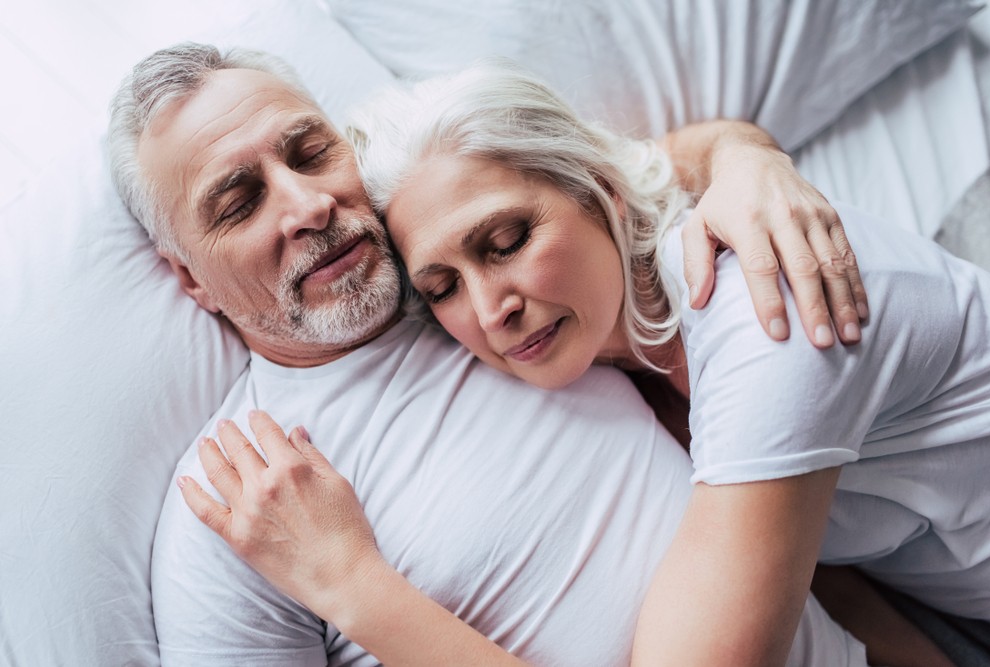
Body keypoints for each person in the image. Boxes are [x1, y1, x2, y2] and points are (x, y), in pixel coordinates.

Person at [111, 43, 907, 666]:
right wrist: (352, 587)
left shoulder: (473, 271)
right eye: (240, 201)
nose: (308, 203)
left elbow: (613, 170)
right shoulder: (238, 502)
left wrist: (746, 159)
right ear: (191, 279)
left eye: (311, 152)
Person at [301, 61, 990, 665]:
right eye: (442, 287)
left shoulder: (764, 317)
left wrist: (353, 588)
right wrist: (742, 151)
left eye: (505, 242)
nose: (489, 311)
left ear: (603, 193)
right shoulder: (619, 337)